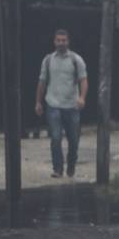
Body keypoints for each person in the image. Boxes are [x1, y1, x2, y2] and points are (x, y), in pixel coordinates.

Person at [34, 29, 88, 178]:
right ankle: (57, 168)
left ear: (68, 42)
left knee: (74, 140)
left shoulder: (76, 60)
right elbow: (42, 82)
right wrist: (38, 102)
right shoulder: (48, 60)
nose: (61, 43)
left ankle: (71, 165)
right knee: (56, 138)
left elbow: (83, 80)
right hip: (53, 104)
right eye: (58, 40)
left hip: (72, 105)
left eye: (64, 40)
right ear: (54, 42)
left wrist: (82, 97)